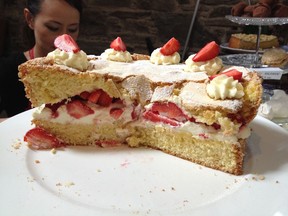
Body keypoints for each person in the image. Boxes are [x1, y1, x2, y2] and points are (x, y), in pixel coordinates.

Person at [0, 0, 83, 117]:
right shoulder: (8, 70)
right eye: (53, 27)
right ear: (30, 19)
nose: (63, 39)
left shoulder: (86, 72)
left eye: (72, 29)